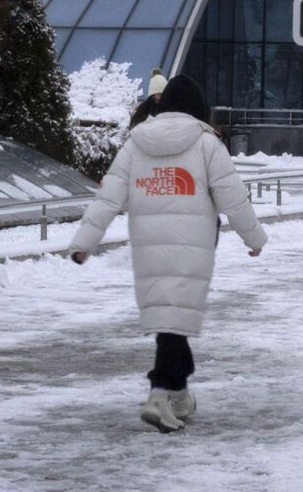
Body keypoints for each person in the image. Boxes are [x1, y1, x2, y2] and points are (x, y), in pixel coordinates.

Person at [67, 75, 265, 433]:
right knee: (175, 318)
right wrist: (254, 238)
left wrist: (84, 242)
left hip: (148, 246)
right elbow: (233, 197)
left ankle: (179, 392)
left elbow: (108, 197)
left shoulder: (135, 143)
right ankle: (160, 393)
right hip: (194, 246)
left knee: (170, 319)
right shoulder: (207, 144)